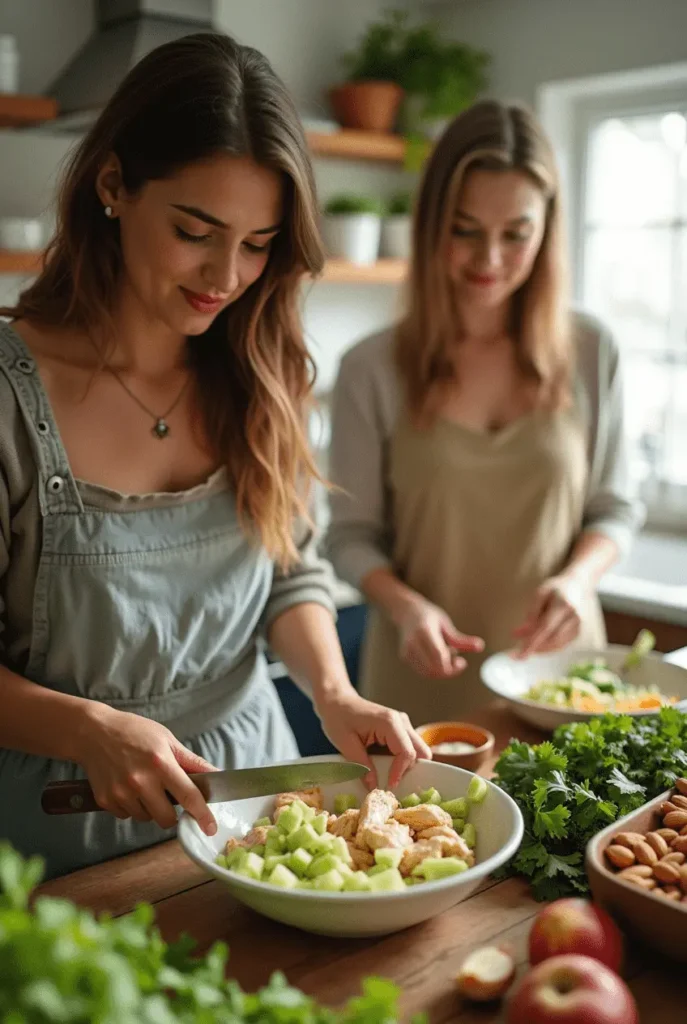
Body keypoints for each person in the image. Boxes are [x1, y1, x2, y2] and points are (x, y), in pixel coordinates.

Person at [0, 32, 429, 880]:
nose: (226, 275)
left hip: (255, 823)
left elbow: (289, 571)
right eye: (195, 230)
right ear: (113, 185)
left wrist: (332, 693)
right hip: (56, 841)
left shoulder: (258, 372)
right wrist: (89, 728)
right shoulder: (10, 398)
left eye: (259, 241)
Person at [327, 100, 643, 725]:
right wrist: (405, 606)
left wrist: (579, 580)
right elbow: (349, 537)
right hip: (418, 692)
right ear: (431, 224)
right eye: (465, 229)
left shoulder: (590, 350)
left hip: (561, 686)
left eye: (515, 234)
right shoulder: (371, 368)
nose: (489, 259)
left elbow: (614, 509)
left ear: (546, 228)